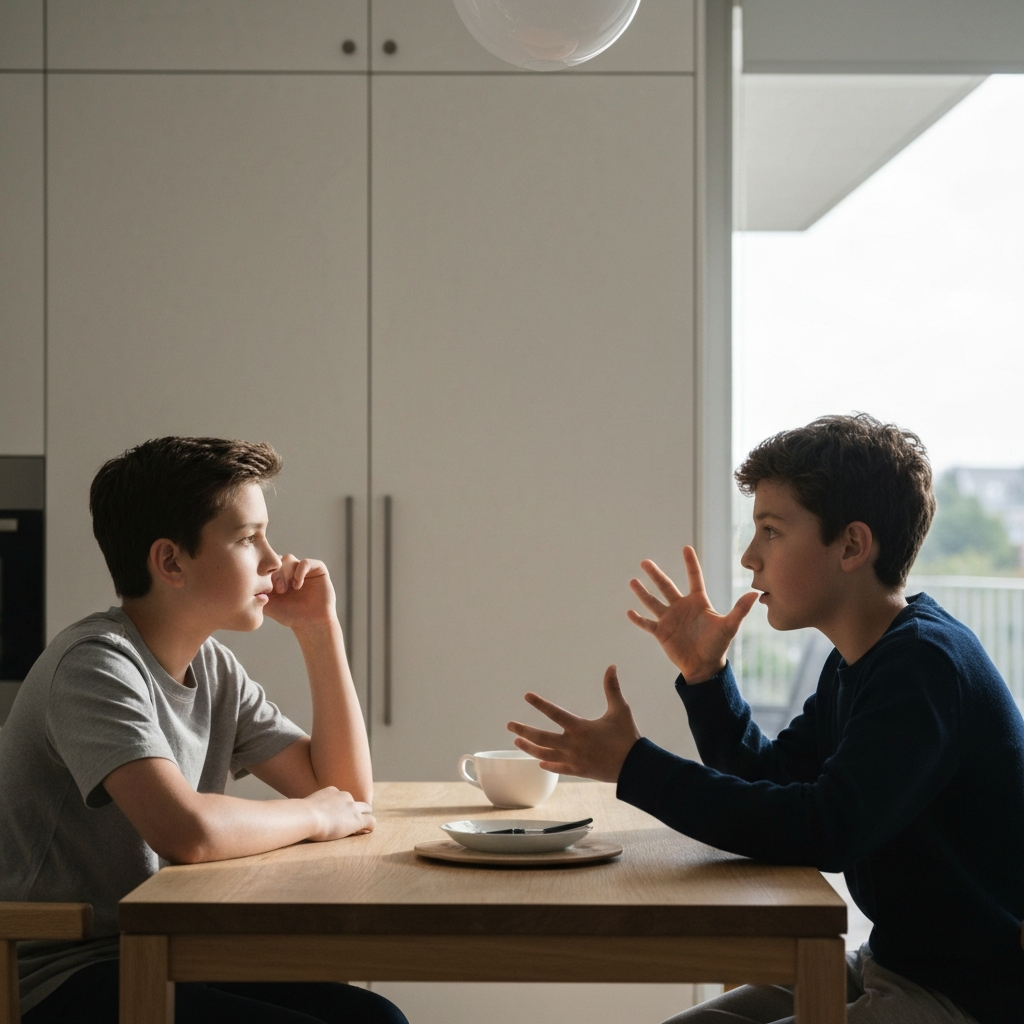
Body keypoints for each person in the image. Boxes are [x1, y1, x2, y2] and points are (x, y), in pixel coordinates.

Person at [508, 414, 1024, 1024]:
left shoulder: (923, 666)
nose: (749, 557)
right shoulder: (860, 661)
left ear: (852, 546)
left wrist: (635, 767)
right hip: (895, 964)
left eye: (772, 531)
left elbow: (824, 828)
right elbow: (773, 777)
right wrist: (707, 679)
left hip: (969, 996)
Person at [0, 437, 407, 1024]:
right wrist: (314, 816)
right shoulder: (94, 667)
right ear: (170, 562)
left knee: (375, 1019)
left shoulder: (213, 667)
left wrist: (320, 631)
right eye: (247, 538)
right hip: (62, 974)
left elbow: (345, 794)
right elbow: (186, 831)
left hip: (166, 949)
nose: (274, 560)